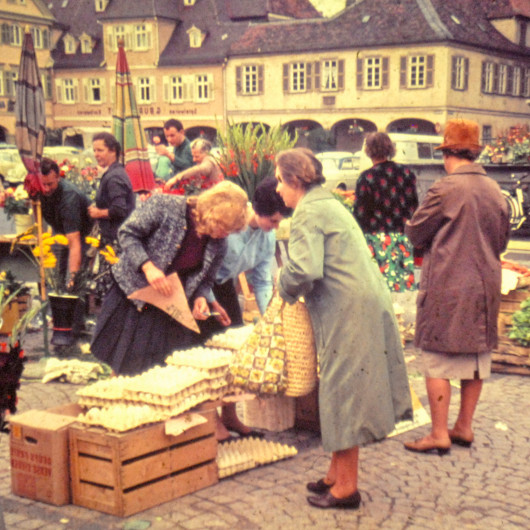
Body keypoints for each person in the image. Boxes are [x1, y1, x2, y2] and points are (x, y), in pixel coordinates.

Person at [275, 148, 412, 510]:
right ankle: (335, 474)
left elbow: (304, 270)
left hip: (347, 309)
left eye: (279, 180)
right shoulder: (327, 202)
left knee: (342, 390)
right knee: (339, 387)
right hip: (361, 302)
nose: (277, 189)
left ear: (294, 180)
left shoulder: (308, 211)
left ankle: (346, 488)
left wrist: (282, 284)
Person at [403, 119, 510, 455]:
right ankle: (463, 426)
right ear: (474, 153)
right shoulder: (495, 190)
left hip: (448, 284)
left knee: (436, 356)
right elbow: (502, 242)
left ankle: (439, 433)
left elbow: (416, 233)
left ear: (448, 153)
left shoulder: (445, 188)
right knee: (477, 355)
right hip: (485, 284)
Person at [90, 181, 249, 376]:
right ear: (212, 212)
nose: (225, 234)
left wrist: (200, 297)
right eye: (224, 226)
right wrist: (147, 266)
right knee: (124, 363)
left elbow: (207, 279)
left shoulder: (219, 243)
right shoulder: (165, 206)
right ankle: (112, 398)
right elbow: (127, 234)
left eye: (230, 231)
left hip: (169, 304)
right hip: (134, 295)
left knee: (159, 368)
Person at [199, 176, 292, 441]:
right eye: (272, 220)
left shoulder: (267, 236)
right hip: (202, 286)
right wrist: (205, 297)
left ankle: (230, 414)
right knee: (206, 351)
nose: (275, 226)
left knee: (233, 353)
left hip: (225, 286)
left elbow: (262, 280)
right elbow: (205, 267)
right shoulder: (233, 225)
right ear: (257, 209)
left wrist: (268, 318)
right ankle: (212, 419)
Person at [354, 132, 418, 292]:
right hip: (403, 238)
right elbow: (414, 205)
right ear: (390, 148)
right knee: (401, 292)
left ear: (368, 151)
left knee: (379, 291)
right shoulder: (406, 173)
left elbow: (360, 215)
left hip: (377, 241)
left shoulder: (366, 178)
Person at [88, 132, 136, 297]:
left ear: (113, 151)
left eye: (100, 150)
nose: (96, 154)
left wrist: (98, 212)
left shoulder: (115, 177)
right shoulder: (114, 173)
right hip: (112, 240)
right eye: (94, 150)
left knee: (111, 290)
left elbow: (119, 209)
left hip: (115, 242)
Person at [40, 157, 92, 285]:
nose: (46, 189)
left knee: (74, 281)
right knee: (55, 278)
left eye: (50, 184)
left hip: (82, 235)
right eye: (43, 184)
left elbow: (74, 243)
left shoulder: (69, 197)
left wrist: (72, 279)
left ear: (58, 177)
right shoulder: (38, 189)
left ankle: (75, 297)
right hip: (59, 231)